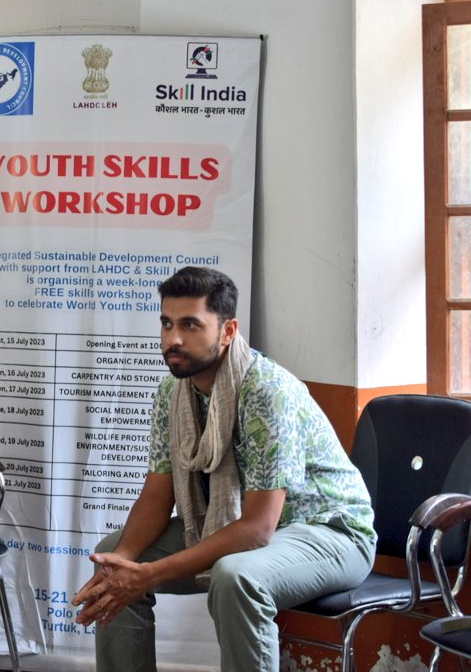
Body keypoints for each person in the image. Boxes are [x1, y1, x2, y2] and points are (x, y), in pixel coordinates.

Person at [72, 266, 376, 672]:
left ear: (228, 331)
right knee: (113, 556)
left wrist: (148, 574)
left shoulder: (266, 392)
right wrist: (124, 564)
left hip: (331, 533)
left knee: (237, 577)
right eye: (166, 324)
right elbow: (157, 494)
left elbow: (256, 529)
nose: (173, 339)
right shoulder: (172, 393)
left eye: (190, 325)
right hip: (243, 527)